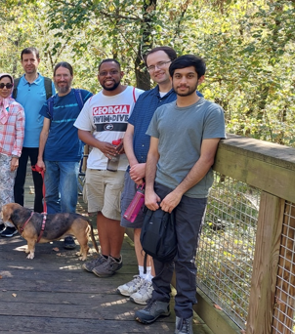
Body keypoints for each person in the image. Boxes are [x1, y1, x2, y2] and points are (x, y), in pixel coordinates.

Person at [135, 55, 225, 334]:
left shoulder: (210, 112)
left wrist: (178, 192)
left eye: (189, 76)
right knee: (158, 249)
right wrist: (149, 189)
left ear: (200, 79)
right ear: (171, 79)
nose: (182, 81)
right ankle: (159, 300)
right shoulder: (162, 112)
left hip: (191, 195)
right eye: (178, 76)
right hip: (159, 190)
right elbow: (152, 154)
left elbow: (206, 158)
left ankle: (184, 313)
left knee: (185, 256)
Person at [116, 47, 178, 305]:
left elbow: (177, 142)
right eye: (151, 66)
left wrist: (147, 168)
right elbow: (129, 133)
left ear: (173, 64)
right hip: (137, 173)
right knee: (138, 226)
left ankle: (155, 281)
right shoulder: (145, 98)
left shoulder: (182, 98)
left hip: (163, 176)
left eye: (161, 64)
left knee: (158, 230)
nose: (156, 70)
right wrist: (134, 164)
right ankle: (142, 276)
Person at [74, 59, 144, 278]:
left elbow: (150, 123)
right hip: (96, 165)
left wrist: (130, 143)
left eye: (113, 71)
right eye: (104, 72)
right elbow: (83, 131)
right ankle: (104, 256)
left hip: (123, 168)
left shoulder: (137, 96)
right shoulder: (93, 101)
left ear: (121, 73)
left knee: (114, 213)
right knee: (100, 213)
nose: (108, 76)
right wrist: (99, 144)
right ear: (98, 77)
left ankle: (115, 258)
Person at [35, 62, 92, 221]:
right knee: (51, 197)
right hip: (50, 156)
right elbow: (45, 131)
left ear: (71, 77)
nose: (62, 79)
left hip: (70, 158)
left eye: (65, 75)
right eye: (58, 75)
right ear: (54, 78)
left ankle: (68, 232)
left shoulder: (83, 97)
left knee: (68, 199)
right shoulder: (50, 102)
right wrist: (40, 158)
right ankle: (55, 229)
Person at [12, 47, 55, 217]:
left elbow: (52, 112)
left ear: (38, 61)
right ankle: (18, 217)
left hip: (40, 143)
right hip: (18, 143)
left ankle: (37, 219)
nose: (29, 63)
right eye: (25, 60)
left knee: (39, 184)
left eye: (32, 59)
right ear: (22, 62)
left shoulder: (48, 84)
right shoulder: (14, 85)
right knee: (18, 182)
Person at [0, 74, 25, 237]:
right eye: (1, 85)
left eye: (8, 85)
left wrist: (16, 156)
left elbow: (20, 133)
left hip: (7, 155)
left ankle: (10, 224)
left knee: (6, 190)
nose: (5, 88)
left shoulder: (17, 108)